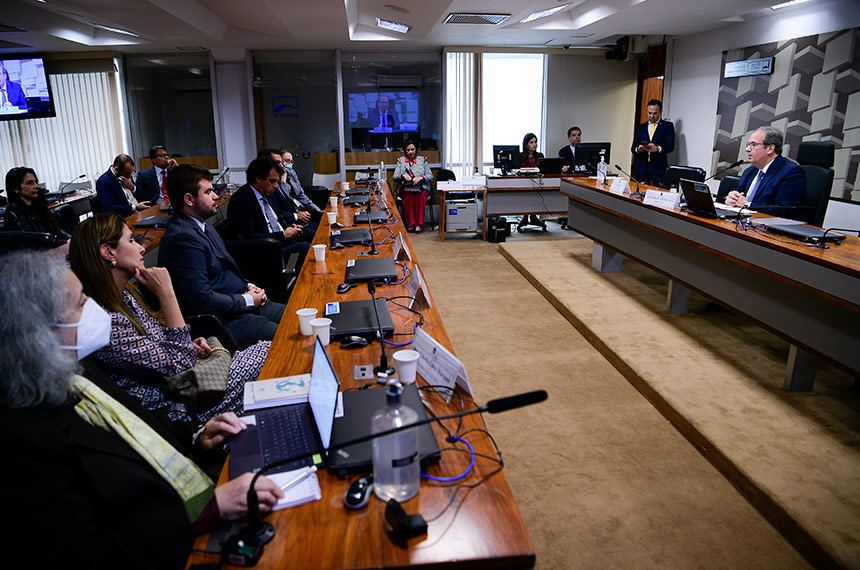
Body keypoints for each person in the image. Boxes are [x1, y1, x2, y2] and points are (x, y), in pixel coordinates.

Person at [0, 249, 284, 569]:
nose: (92, 306)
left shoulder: (75, 371)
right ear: (38, 336)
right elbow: (87, 555)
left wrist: (197, 437)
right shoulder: (19, 443)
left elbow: (141, 424)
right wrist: (208, 508)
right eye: (80, 302)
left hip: (192, 504)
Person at [69, 213, 271, 423]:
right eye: (131, 241)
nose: (141, 248)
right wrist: (166, 293)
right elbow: (182, 364)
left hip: (184, 385)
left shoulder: (124, 294)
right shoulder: (106, 323)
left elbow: (160, 347)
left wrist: (189, 345)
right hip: (177, 408)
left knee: (265, 351)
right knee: (267, 353)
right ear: (108, 252)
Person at [158, 164, 286, 350]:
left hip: (243, 304)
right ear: (189, 199)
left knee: (301, 317)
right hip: (227, 322)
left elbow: (227, 270)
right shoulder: (182, 238)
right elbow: (202, 300)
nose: (216, 196)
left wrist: (250, 286)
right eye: (208, 192)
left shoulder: (203, 226)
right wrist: (248, 300)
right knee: (292, 336)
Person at [228, 156, 311, 265]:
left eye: (277, 181)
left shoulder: (269, 193)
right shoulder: (241, 200)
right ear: (258, 178)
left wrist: (290, 227)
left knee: (315, 236)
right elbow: (250, 238)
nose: (276, 186)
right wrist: (283, 235)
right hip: (267, 252)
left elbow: (277, 218)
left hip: (283, 240)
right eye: (272, 181)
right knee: (306, 248)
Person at [724, 127, 806, 220]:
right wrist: (733, 199)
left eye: (753, 145)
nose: (747, 149)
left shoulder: (791, 172)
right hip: (743, 222)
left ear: (770, 149)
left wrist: (747, 205)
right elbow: (739, 199)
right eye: (748, 145)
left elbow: (785, 210)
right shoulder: (750, 171)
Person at [2, 167, 69, 244]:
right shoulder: (13, 214)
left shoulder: (38, 206)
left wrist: (70, 239)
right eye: (30, 183)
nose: (37, 186)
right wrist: (64, 243)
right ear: (15, 188)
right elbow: (33, 242)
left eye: (36, 182)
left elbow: (57, 229)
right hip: (45, 250)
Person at [631, 99, 675, 186]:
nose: (651, 116)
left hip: (659, 168)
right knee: (640, 192)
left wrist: (658, 149)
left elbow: (670, 146)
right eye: (649, 113)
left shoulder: (667, 126)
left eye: (655, 113)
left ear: (660, 112)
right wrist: (639, 149)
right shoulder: (641, 128)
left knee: (659, 192)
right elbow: (633, 148)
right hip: (642, 168)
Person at [394, 139, 433, 233]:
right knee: (409, 197)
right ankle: (410, 224)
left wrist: (421, 178)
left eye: (412, 149)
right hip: (406, 188)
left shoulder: (422, 160)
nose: (410, 152)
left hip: (420, 187)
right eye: (408, 150)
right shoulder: (401, 160)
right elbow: (395, 176)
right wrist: (403, 176)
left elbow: (430, 176)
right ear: (405, 151)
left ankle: (418, 224)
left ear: (416, 150)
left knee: (420, 196)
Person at [280, 148, 324, 221]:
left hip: (302, 210)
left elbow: (301, 195)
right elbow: (287, 199)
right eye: (287, 161)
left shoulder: (292, 173)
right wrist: (283, 182)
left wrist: (318, 211)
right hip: (292, 216)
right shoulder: (276, 180)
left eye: (291, 162)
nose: (290, 164)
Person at [519, 133, 546, 230]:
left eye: (535, 142)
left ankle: (533, 216)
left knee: (537, 195)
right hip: (523, 183)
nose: (534, 144)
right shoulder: (520, 156)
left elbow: (543, 168)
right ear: (526, 145)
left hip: (537, 182)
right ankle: (526, 216)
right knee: (527, 194)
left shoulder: (540, 155)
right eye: (531, 142)